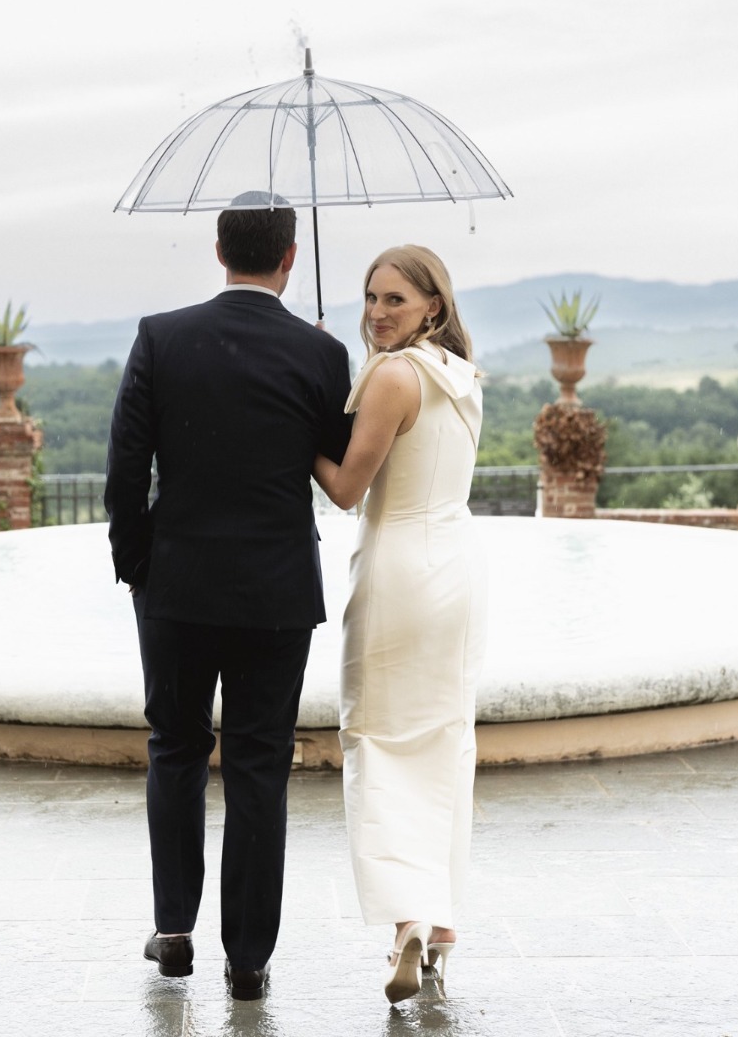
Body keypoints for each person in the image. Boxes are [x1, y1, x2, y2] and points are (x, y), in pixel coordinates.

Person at [104, 191, 352, 1001]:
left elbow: (124, 470)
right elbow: (337, 464)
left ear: (219, 250)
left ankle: (173, 928)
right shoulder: (320, 353)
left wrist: (140, 567)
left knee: (174, 748)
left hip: (176, 588)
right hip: (278, 591)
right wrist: (319, 366)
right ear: (289, 259)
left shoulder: (160, 337)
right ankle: (248, 960)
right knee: (257, 768)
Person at [313, 244, 487, 1005]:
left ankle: (409, 916)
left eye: (395, 301)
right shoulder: (464, 377)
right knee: (445, 736)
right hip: (457, 569)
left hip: (398, 574)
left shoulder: (391, 375)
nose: (377, 313)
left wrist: (298, 433)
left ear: (433, 309)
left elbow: (348, 489)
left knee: (378, 738)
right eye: (371, 297)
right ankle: (442, 922)